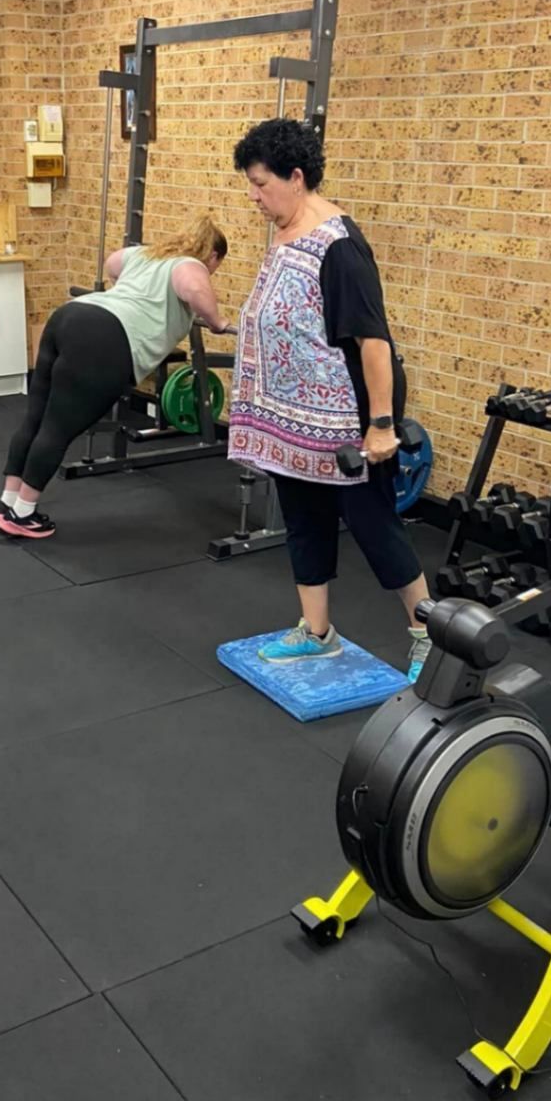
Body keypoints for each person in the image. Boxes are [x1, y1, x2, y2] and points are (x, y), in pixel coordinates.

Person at [228, 117, 432, 681]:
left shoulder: (339, 246)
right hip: (296, 413)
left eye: (262, 184)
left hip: (356, 412)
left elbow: (373, 341)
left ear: (297, 177)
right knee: (303, 516)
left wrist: (383, 425)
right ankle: (317, 633)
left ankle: (426, 636)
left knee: (373, 524)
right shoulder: (287, 228)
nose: (254, 196)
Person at [0, 214, 233, 538]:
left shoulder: (147, 254)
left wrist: (127, 290)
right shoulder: (191, 264)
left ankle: (6, 503)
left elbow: (113, 263)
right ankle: (22, 514)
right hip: (104, 337)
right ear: (213, 255)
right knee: (57, 427)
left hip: (71, 315)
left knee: (36, 418)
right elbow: (193, 287)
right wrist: (216, 320)